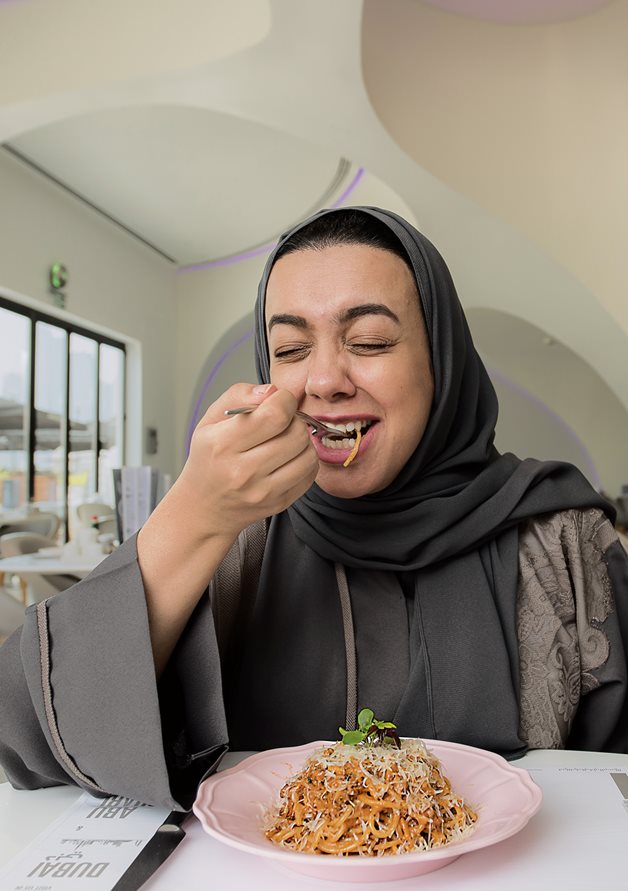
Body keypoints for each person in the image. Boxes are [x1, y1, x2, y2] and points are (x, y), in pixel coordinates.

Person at [1, 207, 627, 811]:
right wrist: (192, 516)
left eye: (370, 340)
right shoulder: (239, 534)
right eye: (292, 350)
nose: (324, 380)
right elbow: (28, 741)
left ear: (442, 361)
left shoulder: (563, 538)